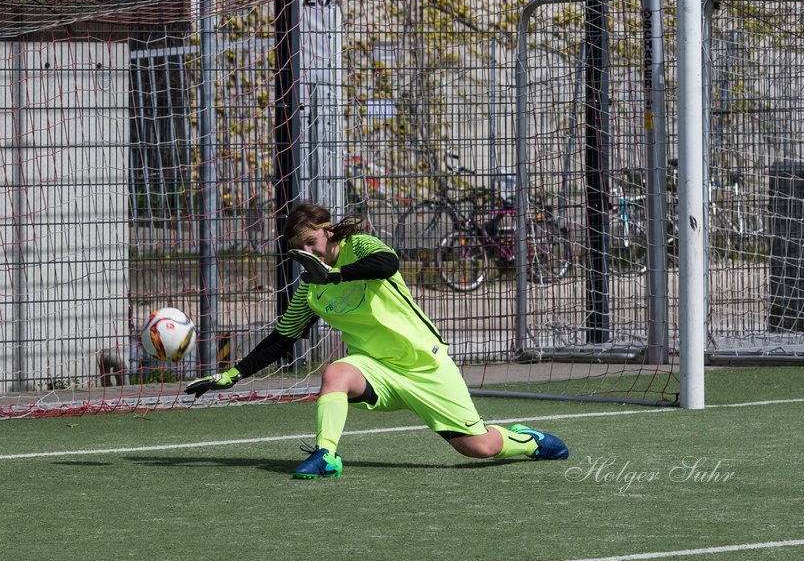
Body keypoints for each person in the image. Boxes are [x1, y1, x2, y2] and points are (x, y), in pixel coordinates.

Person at [185, 202, 568, 479]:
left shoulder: (361, 247)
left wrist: (335, 275)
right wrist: (231, 374)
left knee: (477, 448)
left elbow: (389, 264)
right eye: (299, 248)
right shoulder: (309, 292)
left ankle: (528, 441)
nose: (307, 252)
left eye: (311, 241)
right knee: (336, 372)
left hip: (425, 365)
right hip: (375, 369)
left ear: (329, 231)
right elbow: (281, 339)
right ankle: (327, 455)